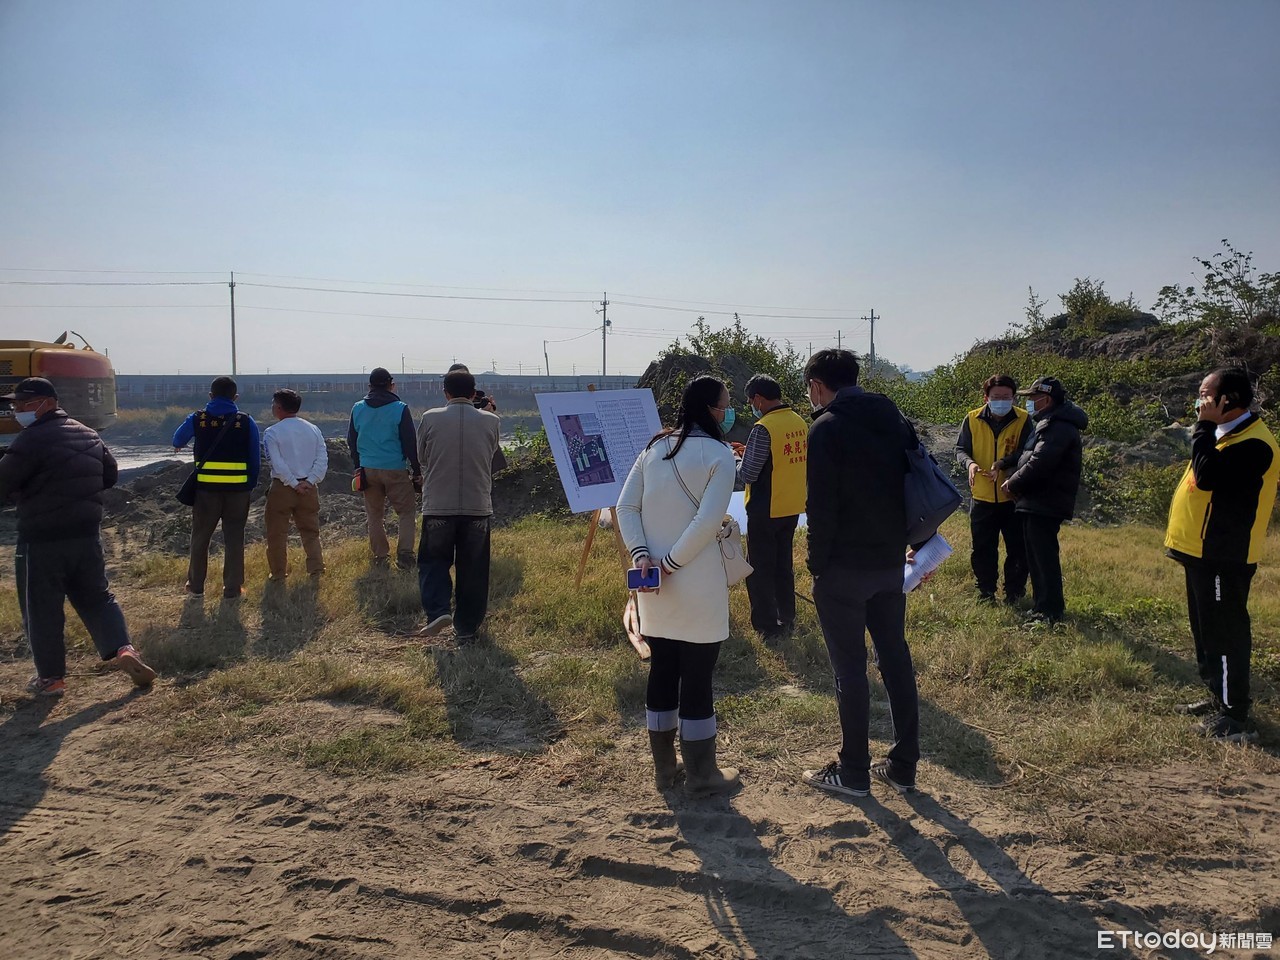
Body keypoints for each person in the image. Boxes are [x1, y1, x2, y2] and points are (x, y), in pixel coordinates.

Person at [799, 349, 919, 798]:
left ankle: (853, 772)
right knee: (895, 659)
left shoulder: (826, 428)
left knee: (850, 669)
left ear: (817, 385)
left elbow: (821, 505)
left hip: (843, 567)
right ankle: (903, 766)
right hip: (889, 561)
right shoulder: (894, 418)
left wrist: (816, 564)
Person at [617, 375, 741, 795]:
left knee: (663, 670)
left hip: (653, 587)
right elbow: (707, 522)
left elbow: (626, 506)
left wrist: (643, 557)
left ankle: (664, 770)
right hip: (698, 583)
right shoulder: (720, 455)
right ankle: (703, 775)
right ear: (711, 408)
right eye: (725, 404)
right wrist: (672, 563)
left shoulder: (654, 449)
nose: (728, 411)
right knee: (698, 677)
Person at [0, 377, 156, 696]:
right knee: (97, 597)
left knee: (42, 607)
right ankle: (124, 648)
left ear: (47, 403)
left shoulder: (30, 439)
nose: (17, 411)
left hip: (41, 539)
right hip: (86, 534)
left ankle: (51, 678)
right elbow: (109, 474)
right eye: (15, 405)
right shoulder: (88, 434)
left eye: (23, 404)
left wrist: (21, 493)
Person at [1165, 368, 1278, 743]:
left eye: (1206, 395)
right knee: (1205, 632)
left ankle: (1235, 716)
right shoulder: (1227, 434)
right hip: (1200, 550)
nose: (1200, 402)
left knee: (1225, 633)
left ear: (1228, 400)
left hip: (1223, 554)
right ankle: (1218, 696)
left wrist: (1202, 428)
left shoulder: (1255, 444)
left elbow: (1207, 476)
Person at [415, 367, 502, 643]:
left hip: (438, 504)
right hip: (477, 504)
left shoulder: (430, 418)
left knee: (433, 561)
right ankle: (466, 626)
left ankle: (438, 610)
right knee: (474, 568)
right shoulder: (492, 421)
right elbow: (492, 456)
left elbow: (422, 457)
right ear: (474, 393)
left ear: (446, 393)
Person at [1000, 376, 1088, 624]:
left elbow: (1040, 463)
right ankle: (1041, 606)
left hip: (1046, 501)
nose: (1029, 403)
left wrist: (1013, 482)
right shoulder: (1048, 423)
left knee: (1044, 558)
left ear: (1046, 399)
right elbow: (1028, 455)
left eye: (1033, 398)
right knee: (1036, 557)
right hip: (1036, 501)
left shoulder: (1058, 427)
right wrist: (1008, 465)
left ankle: (1050, 611)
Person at [734, 374, 807, 642]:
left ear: (758, 399)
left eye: (750, 401)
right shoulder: (798, 422)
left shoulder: (763, 428)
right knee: (782, 565)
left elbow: (748, 473)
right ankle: (786, 616)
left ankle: (766, 625)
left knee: (760, 568)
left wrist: (735, 461)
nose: (751, 406)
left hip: (765, 507)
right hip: (791, 505)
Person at [173, 375, 261, 599]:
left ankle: (196, 588)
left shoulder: (198, 418)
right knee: (234, 539)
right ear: (235, 397)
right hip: (238, 491)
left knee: (200, 537)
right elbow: (255, 457)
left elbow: (177, 440)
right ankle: (232, 589)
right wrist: (249, 484)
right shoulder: (246, 421)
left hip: (206, 491)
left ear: (210, 396)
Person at [955, 374, 1032, 604]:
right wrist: (970, 464)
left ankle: (1014, 593)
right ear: (986, 398)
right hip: (982, 496)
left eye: (1007, 397)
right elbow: (960, 449)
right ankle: (986, 592)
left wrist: (1003, 464)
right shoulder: (972, 419)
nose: (1002, 401)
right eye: (997, 397)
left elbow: (1027, 452)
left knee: (1018, 548)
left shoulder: (1023, 419)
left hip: (1012, 496)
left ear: (1014, 398)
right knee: (982, 548)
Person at [347, 367, 422, 569]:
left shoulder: (357, 408)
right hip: (395, 468)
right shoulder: (400, 408)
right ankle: (405, 555)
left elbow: (351, 441)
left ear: (369, 386)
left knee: (374, 515)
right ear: (392, 385)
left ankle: (380, 556)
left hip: (368, 469)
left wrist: (357, 466)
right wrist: (416, 470)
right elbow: (410, 442)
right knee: (406, 512)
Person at [262, 388, 328, 582]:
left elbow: (276, 463)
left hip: (282, 487)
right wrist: (310, 481)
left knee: (277, 533)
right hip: (309, 487)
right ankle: (316, 568)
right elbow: (322, 459)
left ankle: (278, 573)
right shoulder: (313, 429)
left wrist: (292, 483)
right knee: (311, 531)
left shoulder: (272, 432)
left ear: (279, 407)